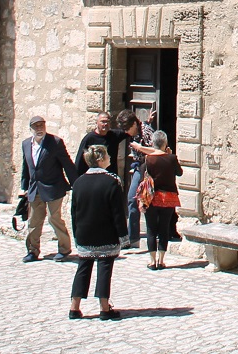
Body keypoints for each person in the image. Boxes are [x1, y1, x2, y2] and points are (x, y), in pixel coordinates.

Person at [68, 144, 127, 320]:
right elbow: (117, 212)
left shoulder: (78, 182)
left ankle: (74, 307)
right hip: (105, 232)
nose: (110, 157)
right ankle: (104, 308)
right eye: (108, 154)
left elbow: (74, 211)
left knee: (83, 268)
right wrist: (123, 236)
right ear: (100, 159)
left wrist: (76, 234)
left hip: (85, 232)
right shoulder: (112, 181)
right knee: (104, 267)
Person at [19, 115, 77, 263]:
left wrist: (76, 183)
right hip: (35, 188)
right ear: (30, 129)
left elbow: (67, 163)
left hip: (53, 187)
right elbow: (26, 167)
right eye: (36, 126)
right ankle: (32, 251)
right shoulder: (26, 144)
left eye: (41, 125)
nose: (39, 128)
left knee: (54, 218)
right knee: (34, 221)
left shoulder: (55, 142)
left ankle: (64, 249)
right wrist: (24, 187)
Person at [140, 129, 182, 270]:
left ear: (153, 143)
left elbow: (144, 177)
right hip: (168, 198)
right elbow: (179, 172)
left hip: (152, 198)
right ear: (165, 144)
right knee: (164, 228)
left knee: (151, 229)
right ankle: (162, 260)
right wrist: (170, 156)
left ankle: (152, 261)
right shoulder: (172, 158)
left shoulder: (148, 159)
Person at [116, 107, 156, 251]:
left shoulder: (146, 132)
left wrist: (139, 148)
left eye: (127, 129)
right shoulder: (136, 129)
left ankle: (155, 235)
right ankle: (133, 238)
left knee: (148, 202)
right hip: (139, 168)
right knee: (132, 199)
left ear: (133, 124)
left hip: (149, 169)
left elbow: (156, 151)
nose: (126, 133)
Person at [74, 112, 131, 180]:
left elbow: (130, 131)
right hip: (93, 178)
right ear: (97, 122)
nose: (105, 124)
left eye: (107, 121)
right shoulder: (89, 139)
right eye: (103, 121)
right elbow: (79, 162)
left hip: (110, 177)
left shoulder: (114, 135)